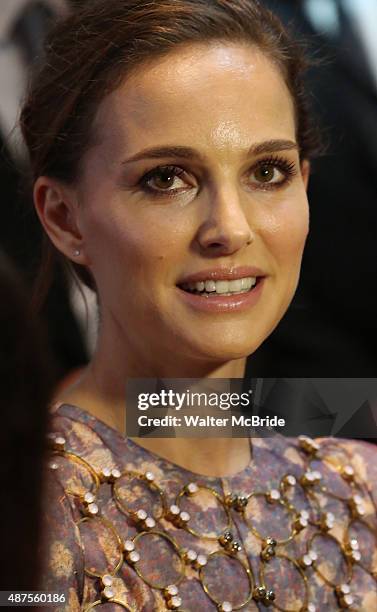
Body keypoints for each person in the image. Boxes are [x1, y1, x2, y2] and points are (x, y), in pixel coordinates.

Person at [20, 1, 377, 610]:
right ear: (64, 216)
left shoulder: (359, 487)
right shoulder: (28, 520)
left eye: (268, 171)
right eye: (166, 179)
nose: (229, 229)